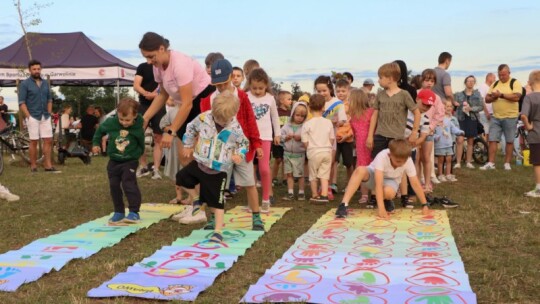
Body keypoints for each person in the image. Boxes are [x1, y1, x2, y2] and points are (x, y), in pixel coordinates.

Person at [196, 59, 264, 230]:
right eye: (216, 84)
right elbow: (203, 125)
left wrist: (257, 143)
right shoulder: (207, 100)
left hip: (241, 149)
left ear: (231, 77)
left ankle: (256, 217)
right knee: (214, 185)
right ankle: (213, 218)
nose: (220, 88)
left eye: (224, 83)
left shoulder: (241, 96)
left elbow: (250, 120)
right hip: (218, 152)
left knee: (249, 182)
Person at [177, 91, 249, 243]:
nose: (221, 121)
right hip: (200, 162)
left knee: (217, 202)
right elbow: (190, 127)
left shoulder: (235, 127)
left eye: (224, 120)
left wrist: (239, 155)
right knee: (181, 178)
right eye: (218, 118)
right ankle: (196, 199)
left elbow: (243, 143)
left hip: (218, 170)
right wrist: (188, 145)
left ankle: (218, 231)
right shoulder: (204, 118)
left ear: (233, 113)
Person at [138, 32, 215, 168]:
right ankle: (194, 187)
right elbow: (163, 95)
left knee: (199, 156)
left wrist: (171, 131)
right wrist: (145, 118)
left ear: (161, 49)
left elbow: (187, 103)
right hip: (187, 105)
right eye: (146, 58)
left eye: (151, 56)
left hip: (203, 100)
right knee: (184, 158)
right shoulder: (157, 66)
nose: (149, 62)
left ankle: (211, 186)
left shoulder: (180, 64)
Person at [336, 139, 431, 219]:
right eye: (398, 161)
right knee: (360, 170)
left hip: (391, 181)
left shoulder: (408, 160)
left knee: (388, 192)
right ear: (390, 155)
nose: (401, 164)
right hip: (374, 177)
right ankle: (344, 204)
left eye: (403, 161)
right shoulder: (382, 156)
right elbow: (378, 183)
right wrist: (381, 209)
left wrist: (424, 205)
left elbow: (415, 183)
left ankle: (387, 200)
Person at [92, 98, 145, 224]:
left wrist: (136, 155)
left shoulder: (138, 125)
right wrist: (95, 143)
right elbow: (99, 131)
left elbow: (141, 143)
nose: (124, 123)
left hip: (130, 161)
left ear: (135, 115)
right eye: (121, 119)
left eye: (127, 120)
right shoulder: (111, 122)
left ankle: (134, 212)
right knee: (114, 186)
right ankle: (119, 212)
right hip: (114, 161)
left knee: (129, 184)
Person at [367, 62, 420, 159]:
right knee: (377, 163)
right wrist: (370, 136)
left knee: (396, 164)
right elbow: (374, 115)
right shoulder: (380, 94)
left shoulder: (404, 95)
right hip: (380, 136)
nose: (378, 81)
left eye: (380, 78)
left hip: (397, 138)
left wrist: (414, 132)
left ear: (390, 79)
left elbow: (417, 113)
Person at [247, 68, 280, 213]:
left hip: (265, 138)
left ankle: (266, 199)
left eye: (261, 88)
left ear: (266, 85)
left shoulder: (270, 99)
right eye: (254, 88)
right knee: (248, 169)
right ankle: (252, 201)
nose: (258, 91)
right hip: (248, 138)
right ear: (249, 85)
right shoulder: (246, 96)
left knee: (264, 168)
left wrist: (277, 134)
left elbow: (275, 117)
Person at [18, 59, 60, 173]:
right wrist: (28, 116)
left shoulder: (45, 83)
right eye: (34, 69)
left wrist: (49, 113)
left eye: (38, 69)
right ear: (30, 70)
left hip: (45, 116)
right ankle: (33, 166)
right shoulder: (24, 84)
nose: (37, 71)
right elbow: (21, 102)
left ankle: (48, 166)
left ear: (41, 69)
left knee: (48, 140)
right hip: (33, 116)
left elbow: (49, 99)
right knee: (34, 141)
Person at [481, 64, 523, 170]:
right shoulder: (495, 84)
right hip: (496, 116)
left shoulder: (515, 82)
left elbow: (516, 97)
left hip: (511, 116)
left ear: (509, 73)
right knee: (492, 139)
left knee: (509, 140)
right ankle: (491, 163)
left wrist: (501, 95)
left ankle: (507, 163)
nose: (501, 77)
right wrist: (494, 97)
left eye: (503, 75)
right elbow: (487, 99)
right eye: (499, 75)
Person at [315, 75, 347, 199]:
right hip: (316, 138)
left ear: (330, 89)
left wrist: (335, 122)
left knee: (330, 161)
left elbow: (343, 120)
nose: (322, 93)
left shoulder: (337, 103)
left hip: (331, 137)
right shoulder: (315, 101)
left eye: (324, 90)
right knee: (318, 162)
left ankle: (327, 186)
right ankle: (319, 186)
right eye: (319, 91)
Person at [133, 61, 164, 179]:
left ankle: (156, 169)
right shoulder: (142, 66)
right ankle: (144, 166)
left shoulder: (163, 67)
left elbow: (164, 86)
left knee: (158, 138)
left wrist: (155, 95)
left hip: (160, 105)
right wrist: (147, 93)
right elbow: (136, 85)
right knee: (138, 135)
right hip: (143, 105)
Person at [301, 94, 334, 203]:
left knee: (313, 175)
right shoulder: (328, 122)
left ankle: (315, 195)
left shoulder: (307, 124)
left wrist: (309, 148)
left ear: (309, 108)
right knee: (324, 175)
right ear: (323, 107)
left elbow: (304, 141)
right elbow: (332, 139)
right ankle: (324, 195)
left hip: (313, 152)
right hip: (326, 152)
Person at [453, 75, 485, 169]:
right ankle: (458, 162)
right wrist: (455, 104)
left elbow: (481, 107)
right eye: (468, 81)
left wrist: (471, 108)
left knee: (471, 141)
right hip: (460, 119)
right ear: (465, 82)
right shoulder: (459, 94)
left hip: (472, 119)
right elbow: (453, 105)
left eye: (472, 81)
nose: (470, 82)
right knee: (460, 140)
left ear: (474, 83)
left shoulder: (477, 94)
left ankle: (468, 161)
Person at [349, 89, 374, 204]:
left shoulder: (371, 112)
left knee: (373, 168)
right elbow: (354, 132)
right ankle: (364, 194)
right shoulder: (353, 116)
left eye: (350, 100)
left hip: (371, 145)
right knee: (362, 168)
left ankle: (374, 192)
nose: (349, 102)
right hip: (360, 147)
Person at [281, 101, 308, 201]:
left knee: (300, 174)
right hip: (287, 154)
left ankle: (301, 192)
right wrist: (285, 137)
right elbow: (280, 137)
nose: (299, 118)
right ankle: (290, 192)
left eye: (302, 116)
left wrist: (301, 138)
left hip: (299, 154)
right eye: (297, 115)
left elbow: (308, 138)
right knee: (289, 174)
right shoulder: (286, 126)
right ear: (293, 114)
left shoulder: (305, 127)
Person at [520, 70, 540, 197]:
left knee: (537, 162)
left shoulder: (529, 97)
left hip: (536, 133)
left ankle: (538, 188)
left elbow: (523, 116)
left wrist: (528, 126)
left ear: (531, 82)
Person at [435, 100, 464, 182]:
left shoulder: (449, 120)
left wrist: (459, 132)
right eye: (445, 107)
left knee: (449, 159)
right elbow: (433, 130)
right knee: (441, 160)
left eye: (450, 106)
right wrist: (435, 137)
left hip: (448, 143)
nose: (448, 108)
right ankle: (440, 174)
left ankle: (448, 174)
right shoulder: (437, 119)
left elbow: (453, 128)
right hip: (440, 144)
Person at [334, 79, 354, 190]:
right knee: (334, 161)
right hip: (335, 138)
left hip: (347, 138)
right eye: (338, 91)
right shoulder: (333, 105)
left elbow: (354, 124)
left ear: (348, 91)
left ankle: (350, 184)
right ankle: (333, 184)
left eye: (343, 91)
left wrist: (348, 135)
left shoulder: (351, 105)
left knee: (348, 163)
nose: (340, 93)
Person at [272, 90, 292, 187]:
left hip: (287, 140)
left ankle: (285, 178)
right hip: (277, 140)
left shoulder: (291, 113)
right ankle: (274, 177)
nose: (290, 101)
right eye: (288, 99)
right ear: (281, 100)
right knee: (278, 159)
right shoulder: (276, 112)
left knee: (285, 159)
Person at [478, 72, 497, 137]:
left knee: (489, 132)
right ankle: (485, 146)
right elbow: (481, 100)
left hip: (490, 113)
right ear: (489, 78)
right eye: (494, 78)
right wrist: (486, 112)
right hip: (484, 113)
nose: (495, 79)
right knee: (486, 131)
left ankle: (488, 146)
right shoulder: (483, 86)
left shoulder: (490, 87)